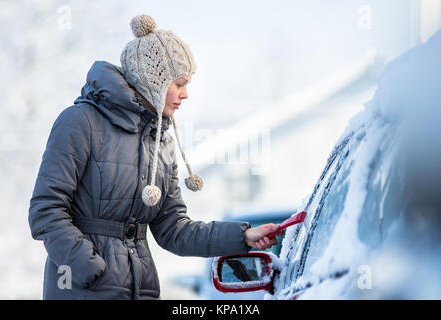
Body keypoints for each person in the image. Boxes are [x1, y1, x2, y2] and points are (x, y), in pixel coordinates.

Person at [28, 14, 281, 300]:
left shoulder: (160, 142)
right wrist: (89, 266)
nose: (185, 95)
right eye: (179, 84)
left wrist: (242, 237)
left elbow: (175, 230)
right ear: (153, 81)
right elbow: (46, 211)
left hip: (142, 289)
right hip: (83, 289)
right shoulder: (81, 122)